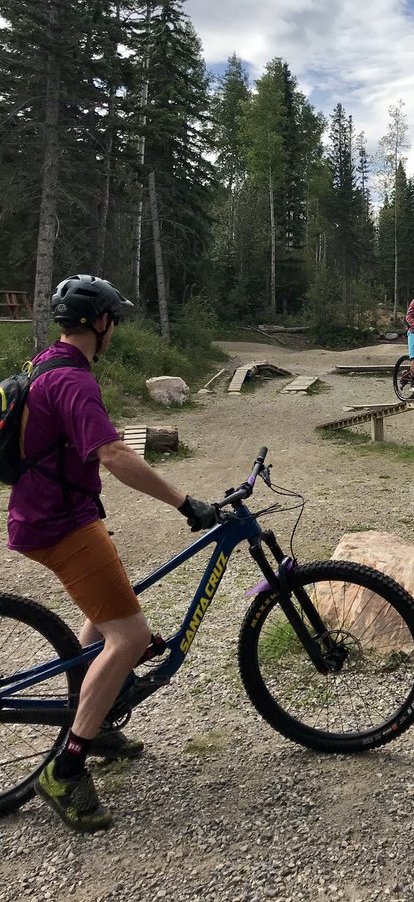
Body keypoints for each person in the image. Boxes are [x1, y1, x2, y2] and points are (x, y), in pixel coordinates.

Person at [6, 274, 217, 833]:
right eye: (113, 321)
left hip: (55, 514)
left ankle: (91, 722)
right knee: (129, 637)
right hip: (59, 524)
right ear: (98, 322)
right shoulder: (74, 381)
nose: (115, 330)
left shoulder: (44, 362)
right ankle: (66, 766)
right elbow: (115, 455)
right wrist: (184, 501)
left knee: (103, 621)